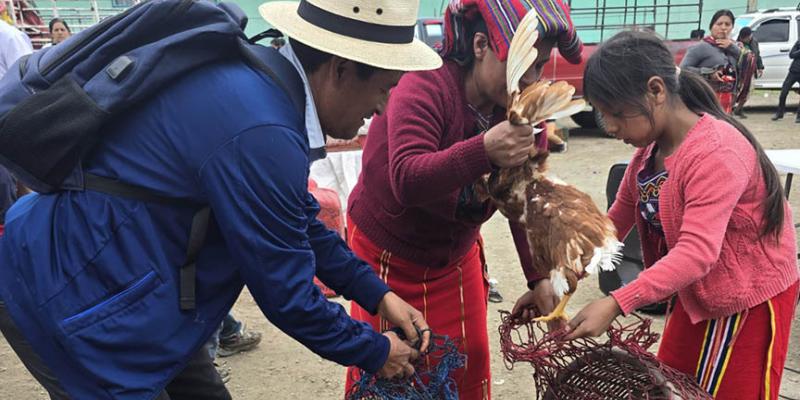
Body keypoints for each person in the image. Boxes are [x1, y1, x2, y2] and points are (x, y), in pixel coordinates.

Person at [0, 0, 443, 399]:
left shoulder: (261, 85)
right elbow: (286, 294)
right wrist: (372, 350)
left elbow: (297, 220)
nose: (385, 106)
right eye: (385, 86)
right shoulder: (260, 129)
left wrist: (377, 294)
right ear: (341, 69)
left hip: (128, 286)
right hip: (68, 293)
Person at [343, 0, 584, 398]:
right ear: (479, 46)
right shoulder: (424, 84)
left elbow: (521, 196)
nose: (533, 79)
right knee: (395, 370)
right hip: (388, 254)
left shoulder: (525, 110)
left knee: (466, 361)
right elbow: (406, 177)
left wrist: (539, 276)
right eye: (526, 63)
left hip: (455, 257)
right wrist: (485, 150)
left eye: (541, 65)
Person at [564, 31, 799, 400]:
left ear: (656, 91)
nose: (610, 129)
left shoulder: (716, 153)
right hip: (697, 291)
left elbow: (696, 253)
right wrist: (567, 273)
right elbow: (613, 222)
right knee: (671, 384)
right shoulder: (647, 154)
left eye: (615, 115)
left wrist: (617, 301)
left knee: (731, 391)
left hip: (748, 295)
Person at [680, 10, 740, 113]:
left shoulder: (734, 48)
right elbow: (683, 69)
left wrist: (732, 48)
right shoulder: (701, 47)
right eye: (719, 24)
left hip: (728, 102)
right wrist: (708, 73)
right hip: (705, 101)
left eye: (727, 24)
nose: (723, 28)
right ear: (711, 26)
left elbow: (748, 63)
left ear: (732, 27)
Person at [732, 27, 763, 118]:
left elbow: (757, 54)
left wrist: (760, 67)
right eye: (747, 37)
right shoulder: (736, 44)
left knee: (748, 91)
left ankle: (738, 109)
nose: (750, 38)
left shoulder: (754, 42)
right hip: (740, 72)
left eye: (750, 36)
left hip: (751, 71)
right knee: (737, 91)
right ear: (742, 37)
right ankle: (730, 109)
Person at [771, 38, 800, 123]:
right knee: (783, 93)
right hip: (793, 72)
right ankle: (780, 113)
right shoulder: (798, 42)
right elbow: (791, 55)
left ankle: (799, 116)